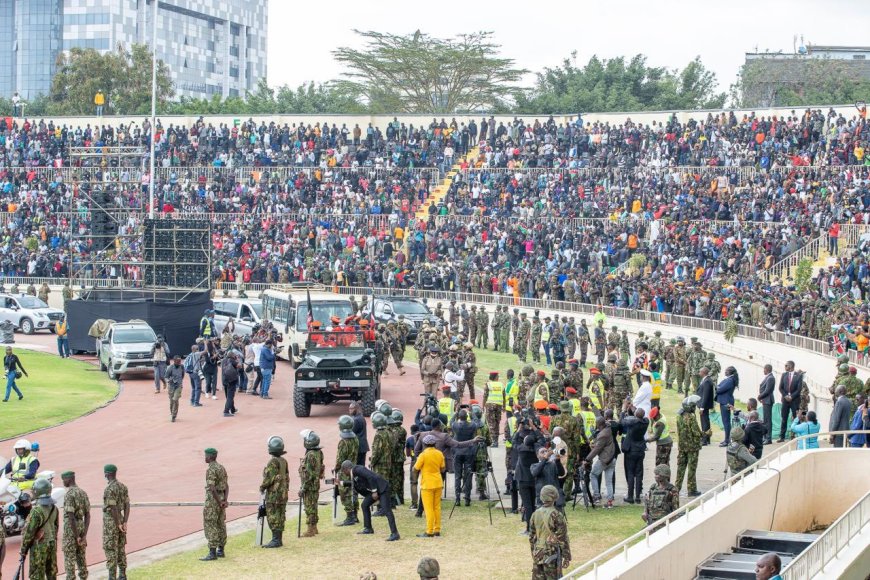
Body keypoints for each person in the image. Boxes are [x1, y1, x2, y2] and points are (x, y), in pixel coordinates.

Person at [340, 460, 400, 541]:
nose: (343, 473)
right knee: (364, 505)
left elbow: (370, 477)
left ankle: (395, 533)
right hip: (375, 490)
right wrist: (341, 483)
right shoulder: (354, 473)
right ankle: (368, 528)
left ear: (346, 469)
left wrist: (374, 491)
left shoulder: (357, 469)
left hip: (382, 488)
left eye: (343, 471)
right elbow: (354, 483)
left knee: (387, 510)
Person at [528, 485, 571, 580]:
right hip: (552, 554)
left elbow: (531, 537)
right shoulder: (557, 515)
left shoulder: (535, 514)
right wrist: (567, 556)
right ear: (555, 497)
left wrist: (533, 553)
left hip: (538, 553)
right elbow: (562, 538)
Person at [20, 478, 58, 580]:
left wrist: (23, 551)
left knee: (36, 575)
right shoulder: (54, 508)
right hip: (52, 544)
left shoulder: (36, 511)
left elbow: (29, 534)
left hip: (39, 547)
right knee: (52, 574)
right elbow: (56, 528)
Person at [413, 435, 446, 538]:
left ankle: (429, 531)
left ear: (424, 444)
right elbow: (443, 468)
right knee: (437, 507)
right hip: (438, 483)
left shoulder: (423, 455)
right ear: (435, 444)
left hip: (427, 484)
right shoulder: (439, 453)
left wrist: (416, 478)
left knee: (428, 509)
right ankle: (437, 529)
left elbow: (415, 468)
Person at [102, 464, 130, 580]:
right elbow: (127, 505)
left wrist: (118, 523)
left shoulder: (109, 489)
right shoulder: (123, 487)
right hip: (121, 519)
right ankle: (122, 575)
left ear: (107, 474)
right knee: (121, 549)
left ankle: (112, 577)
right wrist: (125, 522)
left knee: (110, 550)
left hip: (111, 523)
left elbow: (112, 507)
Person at [200, 448, 228, 561]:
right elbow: (227, 486)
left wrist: (218, 501)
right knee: (220, 523)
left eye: (206, 456)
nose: (205, 457)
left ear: (210, 457)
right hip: (221, 498)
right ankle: (221, 550)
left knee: (210, 524)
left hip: (213, 501)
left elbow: (211, 488)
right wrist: (224, 500)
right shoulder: (221, 468)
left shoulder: (211, 469)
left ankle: (212, 553)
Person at [61, 470, 91, 580]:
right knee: (81, 559)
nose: (63, 482)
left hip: (71, 530)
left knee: (70, 560)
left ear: (68, 479)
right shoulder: (83, 493)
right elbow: (88, 515)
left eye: (63, 479)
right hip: (81, 526)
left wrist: (77, 536)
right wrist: (84, 535)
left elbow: (71, 517)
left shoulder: (69, 495)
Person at [260, 436, 289, 548]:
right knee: (281, 515)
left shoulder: (273, 461)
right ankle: (278, 539)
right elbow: (286, 476)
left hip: (274, 494)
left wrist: (262, 487)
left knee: (273, 516)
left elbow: (269, 478)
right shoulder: (283, 461)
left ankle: (276, 540)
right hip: (283, 493)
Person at [619, 405, 649, 504]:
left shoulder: (632, 422)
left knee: (631, 473)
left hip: (631, 450)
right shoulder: (646, 422)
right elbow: (640, 417)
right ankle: (637, 497)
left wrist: (623, 410)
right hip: (640, 449)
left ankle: (630, 496)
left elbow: (622, 421)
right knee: (639, 473)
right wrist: (634, 410)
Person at [586, 415, 616, 509]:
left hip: (604, 460)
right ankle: (610, 501)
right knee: (608, 481)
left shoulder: (603, 435)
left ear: (598, 424)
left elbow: (597, 449)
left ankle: (596, 495)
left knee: (593, 475)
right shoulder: (608, 428)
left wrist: (587, 459)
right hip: (612, 459)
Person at [299, 430, 324, 537]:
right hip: (316, 484)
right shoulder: (319, 452)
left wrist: (303, 488)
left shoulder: (310, 455)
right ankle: (314, 527)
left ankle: (310, 529)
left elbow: (308, 474)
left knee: (309, 506)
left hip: (309, 485)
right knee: (314, 505)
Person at [675, 396, 702, 497]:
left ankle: (676, 488)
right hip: (692, 447)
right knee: (691, 468)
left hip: (682, 446)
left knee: (680, 468)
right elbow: (696, 432)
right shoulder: (691, 417)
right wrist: (705, 434)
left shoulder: (679, 416)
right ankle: (691, 489)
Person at [642, 464, 680, 528]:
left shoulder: (672, 489)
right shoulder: (653, 487)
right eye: (655, 474)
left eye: (657, 474)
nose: (655, 476)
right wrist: (645, 513)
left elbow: (675, 509)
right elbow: (648, 503)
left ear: (664, 475)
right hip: (651, 521)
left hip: (665, 522)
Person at [777, 361, 804, 442]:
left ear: (791, 366)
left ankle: (797, 436)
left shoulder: (798, 376)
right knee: (784, 418)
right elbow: (780, 388)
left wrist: (791, 396)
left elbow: (799, 389)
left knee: (796, 417)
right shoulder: (784, 375)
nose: (785, 366)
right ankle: (782, 437)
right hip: (785, 400)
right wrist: (785, 396)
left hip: (794, 400)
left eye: (786, 365)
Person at [716, 366, 739, 447]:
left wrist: (717, 388)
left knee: (726, 422)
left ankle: (727, 440)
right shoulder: (729, 379)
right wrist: (718, 387)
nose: (725, 372)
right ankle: (727, 439)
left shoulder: (729, 380)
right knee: (725, 421)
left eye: (727, 371)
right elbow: (718, 386)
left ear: (730, 372)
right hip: (725, 401)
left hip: (726, 402)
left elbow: (719, 389)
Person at [695, 367, 714, 446]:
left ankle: (704, 440)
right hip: (703, 404)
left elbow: (705, 395)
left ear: (704, 372)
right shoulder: (705, 380)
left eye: (700, 372)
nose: (699, 373)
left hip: (704, 405)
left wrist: (702, 407)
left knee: (704, 422)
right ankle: (707, 438)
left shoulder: (707, 381)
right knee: (705, 421)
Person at [758, 364, 775, 445]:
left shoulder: (770, 378)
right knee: (765, 420)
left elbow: (767, 390)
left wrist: (759, 396)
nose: (763, 371)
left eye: (764, 369)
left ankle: (768, 438)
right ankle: (765, 437)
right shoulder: (768, 377)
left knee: (767, 420)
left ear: (767, 369)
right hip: (765, 400)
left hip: (768, 400)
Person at [220, 351, 241, 417]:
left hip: (225, 380)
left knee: (228, 396)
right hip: (231, 380)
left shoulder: (223, 360)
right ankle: (226, 411)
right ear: (232, 355)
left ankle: (232, 409)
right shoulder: (232, 360)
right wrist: (238, 359)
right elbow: (239, 366)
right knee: (230, 396)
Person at [165, 355, 185, 423]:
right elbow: (166, 377)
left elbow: (182, 375)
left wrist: (179, 382)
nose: (179, 363)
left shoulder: (182, 367)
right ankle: (172, 412)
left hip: (178, 386)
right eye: (177, 361)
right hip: (171, 386)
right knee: (171, 401)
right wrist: (169, 380)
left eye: (180, 361)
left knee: (175, 399)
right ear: (174, 361)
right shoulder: (170, 368)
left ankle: (173, 415)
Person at [350, 401, 369, 466]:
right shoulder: (361, 417)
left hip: (358, 447)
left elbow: (352, 432)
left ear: (356, 409)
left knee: (357, 467)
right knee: (362, 466)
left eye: (351, 408)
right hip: (363, 446)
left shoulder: (356, 420)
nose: (349, 410)